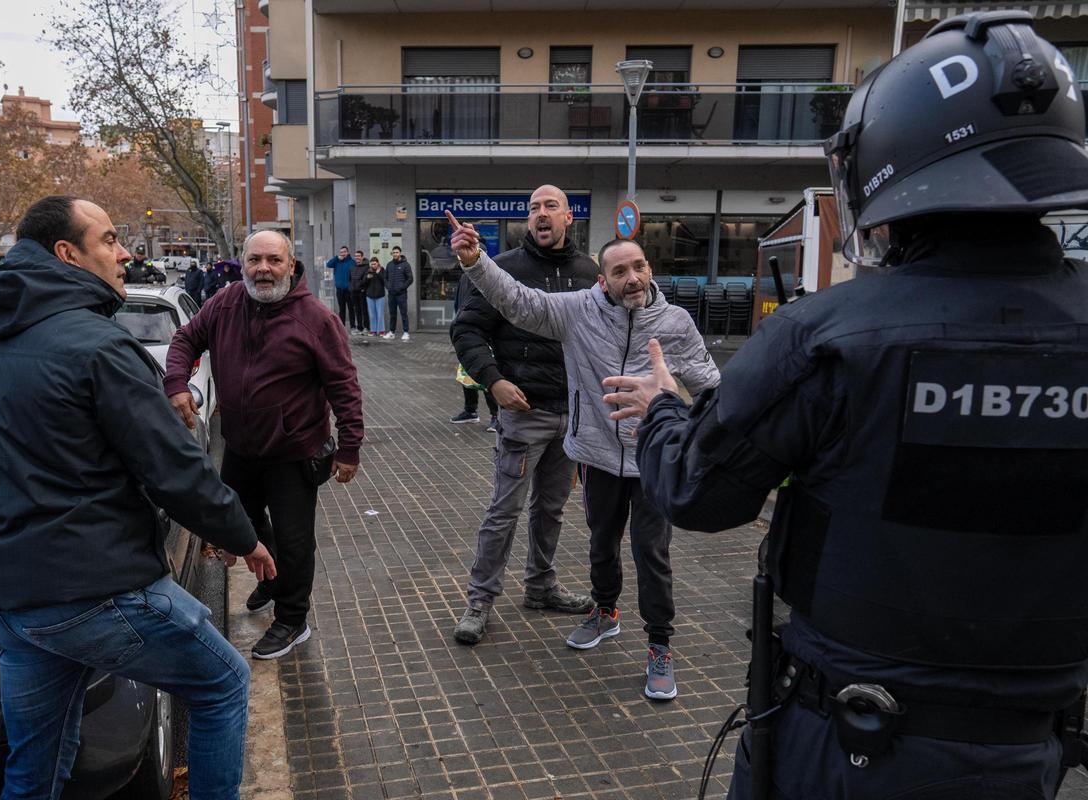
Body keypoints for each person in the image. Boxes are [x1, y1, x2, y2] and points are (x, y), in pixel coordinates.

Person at [605, 13, 1088, 798]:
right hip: (1028, 755)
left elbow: (698, 490)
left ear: (888, 164)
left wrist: (664, 407)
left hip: (853, 743)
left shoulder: (832, 336)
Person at [0, 195, 276, 799]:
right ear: (67, 254)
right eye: (110, 239)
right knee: (221, 684)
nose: (125, 253)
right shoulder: (99, 347)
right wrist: (243, 537)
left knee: (36, 765)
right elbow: (176, 469)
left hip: (8, 601)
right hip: (94, 593)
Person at [448, 214, 718, 699]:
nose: (631, 278)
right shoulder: (578, 312)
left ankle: (659, 644)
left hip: (655, 459)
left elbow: (713, 388)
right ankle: (605, 611)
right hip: (595, 455)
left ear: (649, 268)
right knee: (600, 543)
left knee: (651, 553)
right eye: (619, 271)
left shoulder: (676, 323)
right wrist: (475, 261)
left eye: (638, 267)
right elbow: (518, 300)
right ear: (603, 279)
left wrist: (688, 418)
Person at [165, 230, 364, 660]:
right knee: (240, 523)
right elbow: (184, 340)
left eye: (274, 260)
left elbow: (345, 387)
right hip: (240, 447)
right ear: (242, 263)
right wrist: (176, 381)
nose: (263, 269)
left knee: (295, 543)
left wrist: (350, 448)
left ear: (291, 265)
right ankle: (272, 580)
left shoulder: (316, 319)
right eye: (255, 260)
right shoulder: (225, 302)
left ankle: (293, 621)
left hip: (294, 454)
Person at [449, 184, 599, 645]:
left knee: (551, 508)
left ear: (568, 217)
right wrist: (493, 381)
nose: (541, 214)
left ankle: (541, 586)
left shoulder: (589, 271)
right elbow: (468, 329)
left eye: (550, 206)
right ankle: (480, 600)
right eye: (533, 208)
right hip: (524, 412)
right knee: (504, 510)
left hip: (570, 416)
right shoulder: (504, 270)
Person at [449, 272, 499, 431]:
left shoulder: (488, 275)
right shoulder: (464, 276)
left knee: (485, 372)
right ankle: (470, 410)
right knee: (466, 373)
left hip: (485, 332)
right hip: (466, 329)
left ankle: (496, 415)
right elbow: (459, 301)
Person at [384, 245, 413, 341]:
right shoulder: (389, 265)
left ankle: (406, 332)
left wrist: (402, 287)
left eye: (397, 252)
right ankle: (391, 332)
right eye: (394, 252)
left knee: (403, 313)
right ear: (392, 253)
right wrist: (388, 286)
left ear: (400, 253)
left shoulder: (405, 265)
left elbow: (410, 279)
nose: (395, 254)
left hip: (401, 294)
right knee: (392, 314)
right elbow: (385, 278)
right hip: (391, 294)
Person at [325, 245, 355, 331]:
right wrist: (336, 258)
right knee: (342, 309)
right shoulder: (336, 262)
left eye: (344, 252)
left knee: (351, 308)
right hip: (340, 290)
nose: (342, 254)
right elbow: (328, 264)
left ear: (347, 252)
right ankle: (342, 327)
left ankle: (353, 327)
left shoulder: (352, 262)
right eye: (341, 252)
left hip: (349, 290)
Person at [365, 256, 387, 336]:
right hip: (370, 296)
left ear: (378, 263)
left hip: (380, 295)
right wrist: (367, 278)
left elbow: (384, 281)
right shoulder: (368, 271)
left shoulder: (382, 270)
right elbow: (364, 283)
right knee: (372, 314)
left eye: (374, 264)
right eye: (372, 264)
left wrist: (378, 274)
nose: (373, 265)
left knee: (380, 313)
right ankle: (373, 330)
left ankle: (381, 330)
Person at [349, 249, 370, 335]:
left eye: (358, 256)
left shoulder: (366, 267)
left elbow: (365, 280)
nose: (357, 257)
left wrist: (360, 287)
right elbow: (349, 279)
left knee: (364, 310)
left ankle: (366, 327)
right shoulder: (352, 267)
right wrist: (351, 288)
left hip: (362, 291)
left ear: (362, 257)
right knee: (357, 310)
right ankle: (359, 327)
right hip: (354, 292)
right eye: (356, 256)